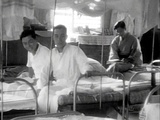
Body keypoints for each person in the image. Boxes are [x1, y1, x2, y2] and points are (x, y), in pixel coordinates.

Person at [38, 25, 97, 113]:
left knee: (58, 96)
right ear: (53, 37)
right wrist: (41, 87)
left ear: (66, 37)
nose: (59, 39)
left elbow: (84, 64)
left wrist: (87, 71)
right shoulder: (51, 53)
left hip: (72, 85)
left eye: (62, 36)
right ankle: (45, 117)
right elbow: (44, 72)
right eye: (56, 36)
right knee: (44, 92)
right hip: (58, 84)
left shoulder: (75, 50)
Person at [6, 29, 50, 96]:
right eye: (25, 43)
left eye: (30, 42)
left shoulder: (46, 53)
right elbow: (30, 69)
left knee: (26, 92)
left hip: (43, 83)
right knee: (12, 85)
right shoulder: (30, 52)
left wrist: (37, 81)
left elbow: (50, 75)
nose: (28, 45)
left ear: (36, 39)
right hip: (34, 80)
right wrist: (29, 79)